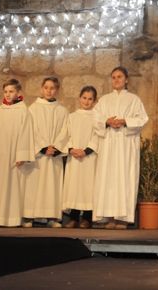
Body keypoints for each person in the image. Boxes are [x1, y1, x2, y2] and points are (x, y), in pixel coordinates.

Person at [92, 66, 149, 228]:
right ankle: (109, 217)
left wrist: (125, 121)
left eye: (119, 77)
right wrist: (107, 121)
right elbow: (95, 118)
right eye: (114, 77)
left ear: (126, 80)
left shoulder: (134, 99)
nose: (116, 80)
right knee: (108, 178)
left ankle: (122, 218)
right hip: (109, 143)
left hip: (125, 144)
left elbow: (143, 118)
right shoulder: (104, 100)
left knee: (124, 177)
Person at [0, 79, 34, 227]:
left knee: (13, 187)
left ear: (18, 93)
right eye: (6, 92)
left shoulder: (23, 111)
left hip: (13, 156)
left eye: (11, 91)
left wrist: (22, 155)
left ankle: (11, 219)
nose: (8, 95)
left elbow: (26, 134)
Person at [22, 77, 69, 228]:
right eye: (46, 88)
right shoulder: (32, 109)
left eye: (52, 88)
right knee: (34, 185)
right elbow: (31, 130)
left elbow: (66, 131)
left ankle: (52, 217)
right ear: (42, 89)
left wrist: (56, 147)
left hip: (54, 155)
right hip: (38, 155)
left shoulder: (62, 110)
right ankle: (29, 216)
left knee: (52, 187)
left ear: (57, 90)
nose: (49, 91)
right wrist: (42, 147)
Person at [62, 86, 99, 229]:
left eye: (90, 99)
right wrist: (71, 149)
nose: (87, 101)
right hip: (75, 157)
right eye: (84, 98)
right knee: (75, 186)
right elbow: (67, 134)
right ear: (79, 98)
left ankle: (87, 219)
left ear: (95, 101)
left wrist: (87, 150)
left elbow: (97, 135)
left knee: (88, 187)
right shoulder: (72, 117)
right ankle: (74, 217)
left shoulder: (97, 118)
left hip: (89, 157)